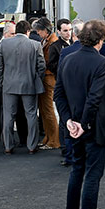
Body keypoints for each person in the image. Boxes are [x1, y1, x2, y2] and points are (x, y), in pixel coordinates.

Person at [53, 19, 105, 209]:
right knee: (93, 173)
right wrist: (82, 123)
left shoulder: (67, 59)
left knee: (77, 168)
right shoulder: (101, 62)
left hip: (73, 127)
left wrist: (69, 120)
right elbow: (95, 97)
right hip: (93, 126)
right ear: (100, 39)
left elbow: (58, 94)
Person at [0, 20, 45, 155]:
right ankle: (32, 146)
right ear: (28, 31)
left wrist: (2, 81)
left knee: (8, 116)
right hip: (29, 84)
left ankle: (8, 146)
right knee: (31, 115)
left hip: (9, 84)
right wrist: (35, 78)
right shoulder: (35, 45)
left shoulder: (5, 43)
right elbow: (41, 66)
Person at [49, 18, 74, 166]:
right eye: (65, 30)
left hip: (72, 85)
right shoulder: (55, 46)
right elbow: (51, 65)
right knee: (64, 117)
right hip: (62, 83)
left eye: (70, 30)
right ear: (58, 31)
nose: (68, 33)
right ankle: (65, 148)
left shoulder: (74, 44)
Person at [35, 17, 61, 152]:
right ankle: (48, 137)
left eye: (39, 31)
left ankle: (54, 140)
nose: (38, 33)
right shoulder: (47, 40)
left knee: (48, 109)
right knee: (45, 110)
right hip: (45, 77)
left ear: (45, 30)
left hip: (48, 78)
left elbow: (49, 61)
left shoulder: (52, 42)